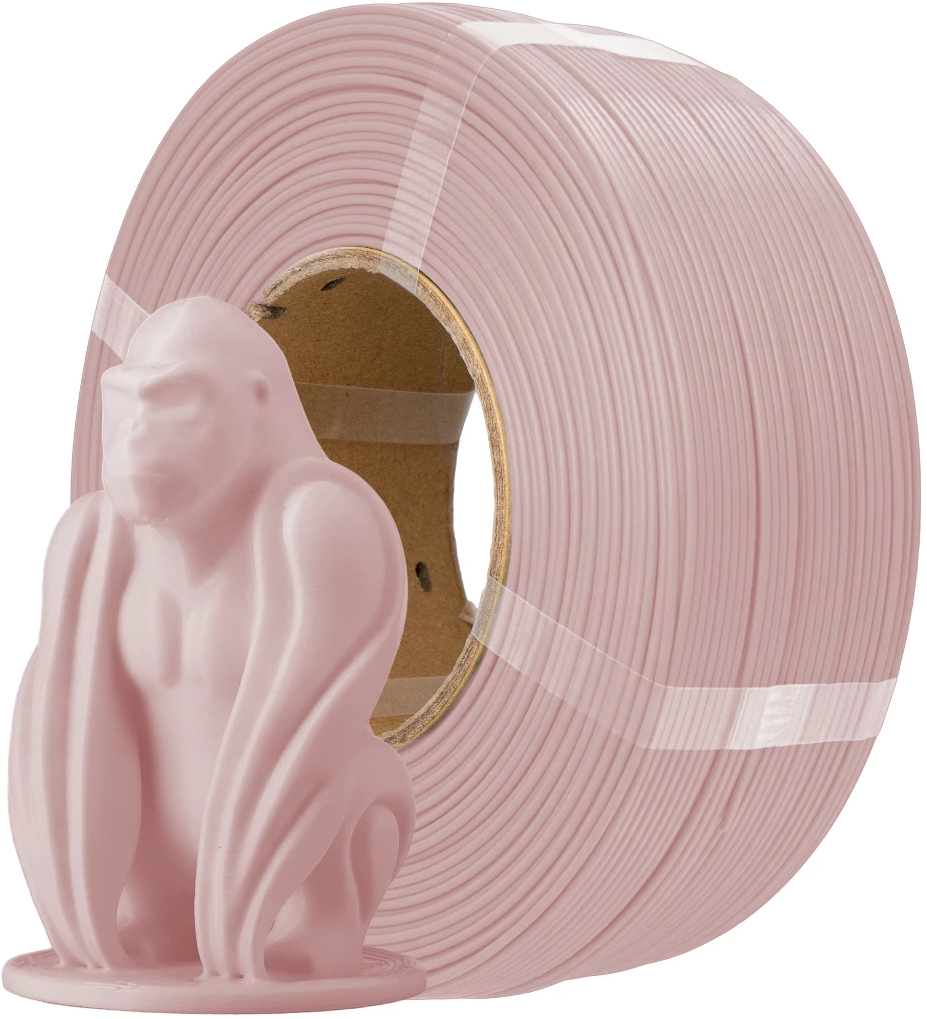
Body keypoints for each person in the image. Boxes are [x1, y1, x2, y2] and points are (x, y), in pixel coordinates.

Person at [9, 296, 414, 981]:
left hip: (306, 851)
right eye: (127, 403)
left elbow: (309, 733)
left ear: (255, 404)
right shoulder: (96, 540)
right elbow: (63, 728)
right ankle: (167, 915)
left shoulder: (314, 522)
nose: (138, 433)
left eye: (175, 403)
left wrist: (241, 920)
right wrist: (81, 919)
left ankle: (319, 921)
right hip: (158, 868)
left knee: (356, 769)